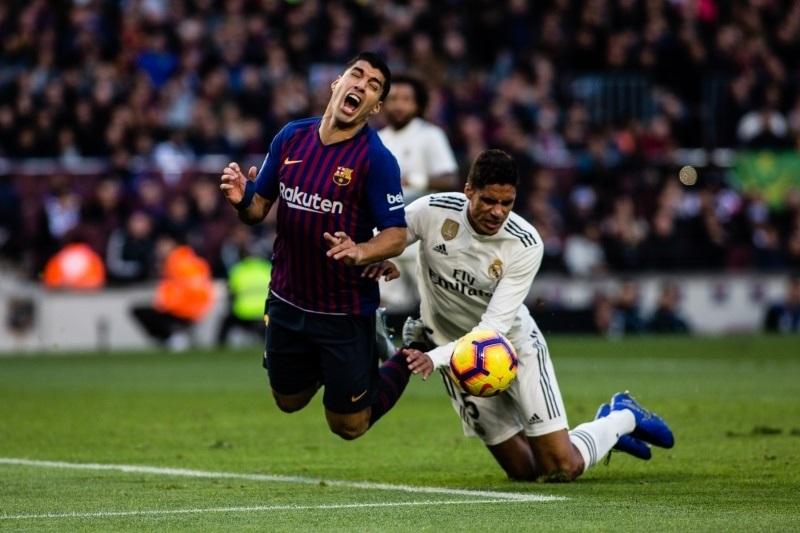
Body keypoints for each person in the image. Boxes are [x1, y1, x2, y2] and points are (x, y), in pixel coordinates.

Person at [367, 149, 674, 481]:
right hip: (458, 358)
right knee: (526, 471)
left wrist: (435, 357)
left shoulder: (525, 243)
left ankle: (620, 417)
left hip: (509, 345)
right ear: (469, 189)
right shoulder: (433, 211)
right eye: (488, 200)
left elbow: (492, 329)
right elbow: (389, 235)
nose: (498, 212)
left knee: (559, 467)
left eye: (507, 203)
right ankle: (584, 434)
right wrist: (383, 256)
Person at [219, 52, 412, 440]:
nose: (362, 84)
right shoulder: (292, 136)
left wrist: (360, 251)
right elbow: (258, 209)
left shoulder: (376, 160)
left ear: (374, 107)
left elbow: (397, 234)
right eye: (357, 75)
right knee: (288, 401)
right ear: (336, 83)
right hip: (287, 299)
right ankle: (336, 369)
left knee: (348, 426)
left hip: (343, 311)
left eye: (373, 86)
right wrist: (243, 199)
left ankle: (406, 356)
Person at [377, 74, 458, 203]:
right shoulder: (377, 139)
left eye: (406, 99)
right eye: (393, 99)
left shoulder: (431, 134)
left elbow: (449, 180)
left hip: (421, 213)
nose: (399, 105)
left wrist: (413, 181)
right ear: (383, 103)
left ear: (417, 104)